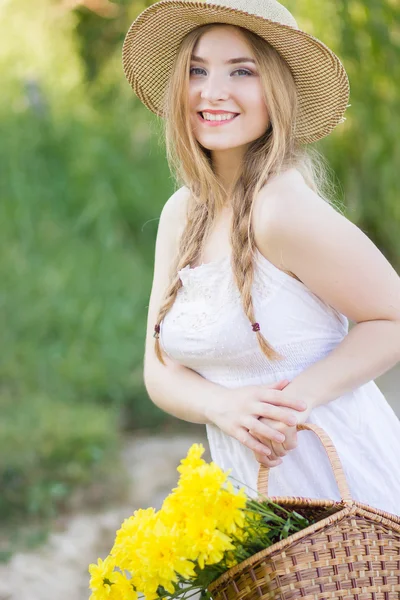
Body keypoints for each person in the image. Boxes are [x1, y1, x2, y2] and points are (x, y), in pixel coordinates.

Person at [122, 0, 400, 516]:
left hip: (344, 493)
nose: (212, 91)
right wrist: (223, 406)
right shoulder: (181, 214)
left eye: (241, 71)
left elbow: (392, 317)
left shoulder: (282, 210)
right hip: (253, 500)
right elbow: (159, 371)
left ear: (276, 92)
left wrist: (292, 404)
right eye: (197, 70)